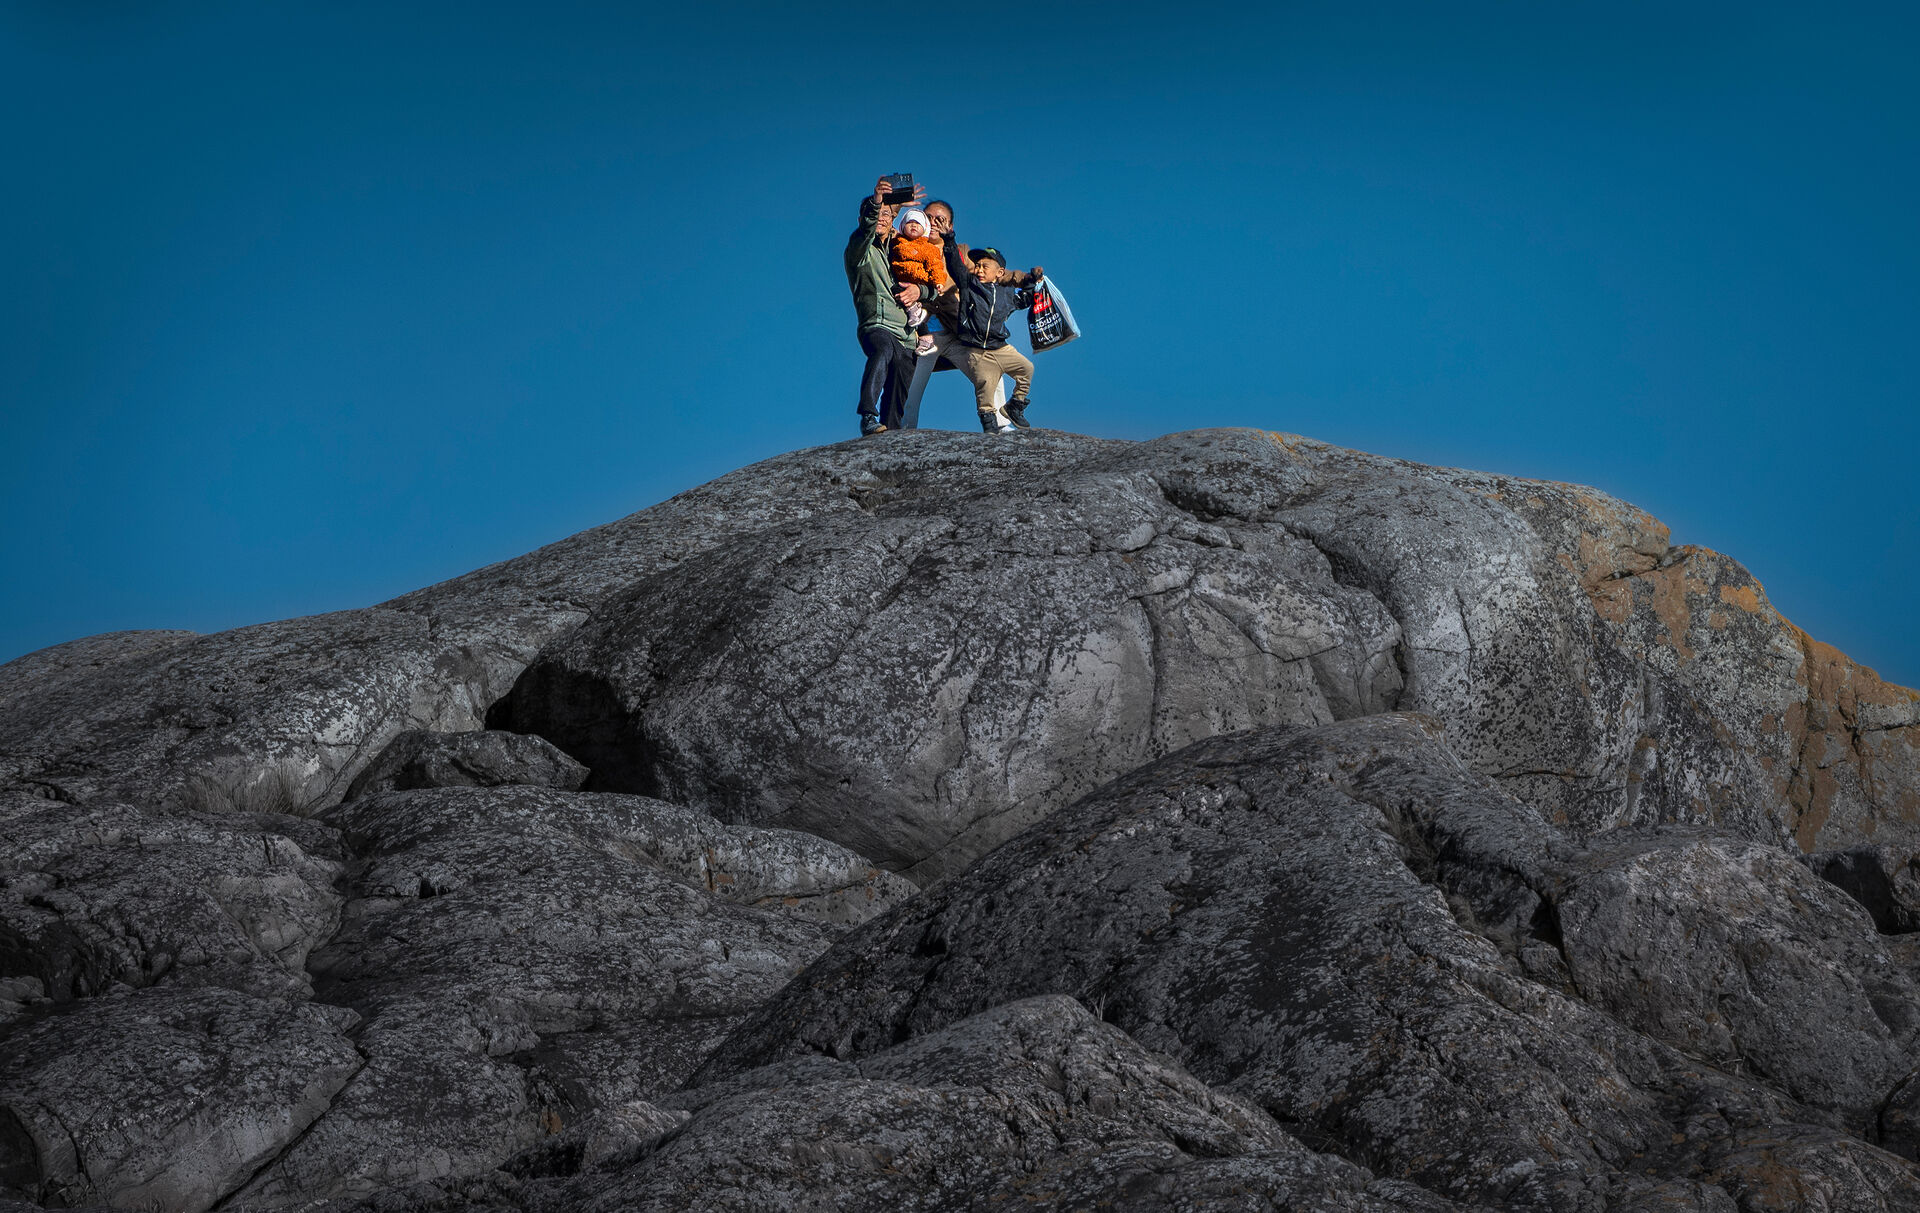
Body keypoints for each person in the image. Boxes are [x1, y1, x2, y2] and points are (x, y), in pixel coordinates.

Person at [845, 175, 925, 436]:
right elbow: (869, 227)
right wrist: (877, 201)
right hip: (877, 324)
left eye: (887, 215)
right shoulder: (859, 250)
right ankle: (868, 416)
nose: (881, 218)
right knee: (883, 351)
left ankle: (890, 434)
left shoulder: (899, 250)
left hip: (906, 334)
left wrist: (920, 291)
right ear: (862, 219)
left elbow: (929, 281)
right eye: (875, 214)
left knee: (900, 379)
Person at [939, 239, 1045, 432]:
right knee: (985, 391)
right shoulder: (969, 285)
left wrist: (1032, 281)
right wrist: (949, 239)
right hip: (978, 352)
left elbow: (1025, 300)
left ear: (1000, 273)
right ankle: (990, 429)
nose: (979, 270)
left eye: (984, 266)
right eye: (977, 265)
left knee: (1026, 369)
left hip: (1001, 348)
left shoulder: (1007, 292)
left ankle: (1015, 406)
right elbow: (956, 266)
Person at [889, 208, 951, 356]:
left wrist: (938, 281)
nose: (913, 225)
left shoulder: (928, 248)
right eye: (909, 222)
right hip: (901, 280)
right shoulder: (897, 242)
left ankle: (915, 311)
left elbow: (935, 266)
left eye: (918, 223)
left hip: (920, 280)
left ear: (924, 229)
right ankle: (926, 339)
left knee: (914, 310)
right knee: (913, 316)